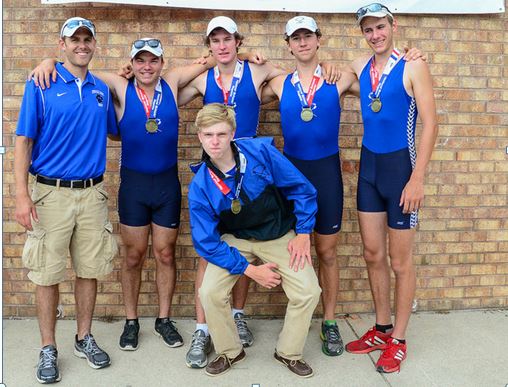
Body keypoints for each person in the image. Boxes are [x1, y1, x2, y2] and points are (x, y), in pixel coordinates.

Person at [29, 39, 216, 352]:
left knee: (165, 253)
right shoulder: (117, 84)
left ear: (162, 63)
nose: (146, 67)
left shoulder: (171, 83)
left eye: (153, 61)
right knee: (133, 256)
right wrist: (49, 60)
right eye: (140, 61)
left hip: (167, 185)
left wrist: (248, 53)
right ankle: (131, 321)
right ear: (132, 62)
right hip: (134, 186)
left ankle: (164, 319)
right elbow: (78, 69)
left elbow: (211, 60)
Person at [14, 17, 118, 384]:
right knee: (47, 273)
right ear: (62, 45)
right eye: (75, 40)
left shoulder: (100, 89)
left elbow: (116, 132)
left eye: (88, 39)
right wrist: (21, 194)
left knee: (89, 270)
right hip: (50, 194)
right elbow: (24, 141)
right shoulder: (40, 84)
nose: (82, 45)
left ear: (94, 45)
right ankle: (48, 347)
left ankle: (83, 337)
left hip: (92, 194)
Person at [188, 103, 321, 377]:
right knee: (209, 292)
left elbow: (302, 189)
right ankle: (230, 351)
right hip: (236, 239)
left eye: (221, 134)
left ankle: (289, 352)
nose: (215, 141)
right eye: (209, 134)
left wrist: (304, 232)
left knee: (308, 291)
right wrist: (250, 270)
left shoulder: (260, 152)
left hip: (277, 234)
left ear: (232, 133)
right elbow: (206, 243)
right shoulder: (201, 184)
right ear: (200, 136)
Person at [344, 4, 438, 373]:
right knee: (371, 253)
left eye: (380, 27)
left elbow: (430, 124)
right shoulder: (359, 66)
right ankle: (382, 327)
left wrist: (418, 179)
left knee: (400, 261)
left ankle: (398, 339)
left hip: (402, 172)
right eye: (369, 30)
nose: (376, 35)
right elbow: (328, 70)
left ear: (393, 26)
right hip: (369, 170)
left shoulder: (414, 65)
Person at [261, 15, 358, 357]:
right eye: (295, 38)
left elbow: (383, 84)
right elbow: (239, 85)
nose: (302, 42)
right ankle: (299, 319)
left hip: (327, 173)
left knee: (327, 252)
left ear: (319, 39)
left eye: (307, 36)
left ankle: (330, 322)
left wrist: (412, 54)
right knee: (293, 249)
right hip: (292, 174)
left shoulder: (339, 77)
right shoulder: (278, 83)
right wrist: (253, 60)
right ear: (288, 45)